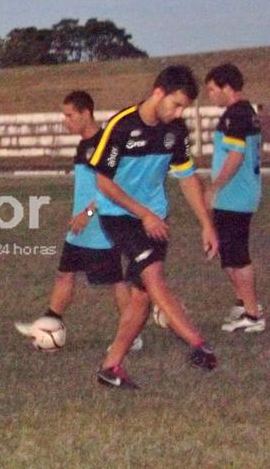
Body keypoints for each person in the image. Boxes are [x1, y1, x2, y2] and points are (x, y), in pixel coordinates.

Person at [90, 65, 219, 389]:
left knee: (141, 297)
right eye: (176, 105)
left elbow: (187, 178)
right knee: (153, 274)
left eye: (184, 108)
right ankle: (198, 343)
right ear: (158, 93)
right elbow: (103, 183)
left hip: (156, 218)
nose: (179, 113)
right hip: (119, 214)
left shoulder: (175, 131)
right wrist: (143, 214)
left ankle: (110, 367)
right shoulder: (121, 126)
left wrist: (207, 225)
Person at [16, 91, 143, 350]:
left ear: (86, 113)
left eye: (70, 115)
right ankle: (48, 322)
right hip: (80, 228)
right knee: (64, 274)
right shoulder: (83, 145)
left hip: (101, 227)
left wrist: (87, 214)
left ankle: (132, 336)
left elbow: (113, 188)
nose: (66, 121)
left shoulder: (105, 144)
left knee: (116, 281)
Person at [204, 64, 264, 332]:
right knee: (229, 254)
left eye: (212, 89)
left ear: (227, 88)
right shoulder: (246, 112)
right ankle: (244, 303)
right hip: (238, 195)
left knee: (237, 256)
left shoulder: (235, 115)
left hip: (234, 196)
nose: (210, 95)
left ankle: (253, 315)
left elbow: (236, 155)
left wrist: (214, 187)